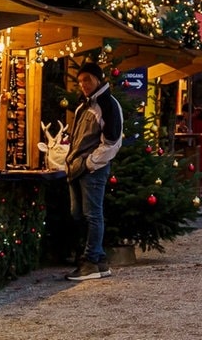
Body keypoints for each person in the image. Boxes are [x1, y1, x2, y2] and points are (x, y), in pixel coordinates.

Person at [65, 60, 124, 279]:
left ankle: (90, 261)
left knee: (92, 215)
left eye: (87, 79)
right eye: (80, 81)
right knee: (80, 214)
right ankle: (98, 260)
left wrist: (90, 163)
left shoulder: (106, 105)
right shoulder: (86, 105)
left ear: (97, 79)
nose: (83, 84)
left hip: (91, 169)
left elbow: (112, 141)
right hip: (79, 168)